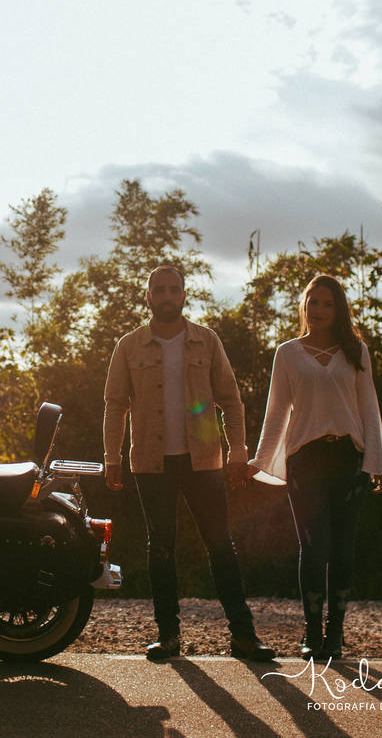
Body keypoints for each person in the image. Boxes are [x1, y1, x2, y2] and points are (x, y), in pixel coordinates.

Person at [104, 264, 275, 662]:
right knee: (160, 548)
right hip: (151, 462)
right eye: (158, 289)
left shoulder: (207, 341)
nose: (166, 296)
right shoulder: (128, 346)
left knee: (221, 545)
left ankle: (244, 636)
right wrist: (111, 456)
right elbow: (115, 406)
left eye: (173, 289)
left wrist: (237, 451)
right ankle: (168, 637)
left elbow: (230, 400)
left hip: (205, 461)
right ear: (148, 297)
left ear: (183, 295)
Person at [249, 274, 382, 662]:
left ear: (338, 308)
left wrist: (376, 462)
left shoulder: (356, 351)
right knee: (314, 549)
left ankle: (336, 635)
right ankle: (312, 632)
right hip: (305, 462)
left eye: (327, 304)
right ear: (304, 306)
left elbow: (369, 410)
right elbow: (276, 411)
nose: (319, 310)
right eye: (313, 302)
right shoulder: (288, 353)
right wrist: (260, 462)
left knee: (343, 549)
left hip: (349, 460)